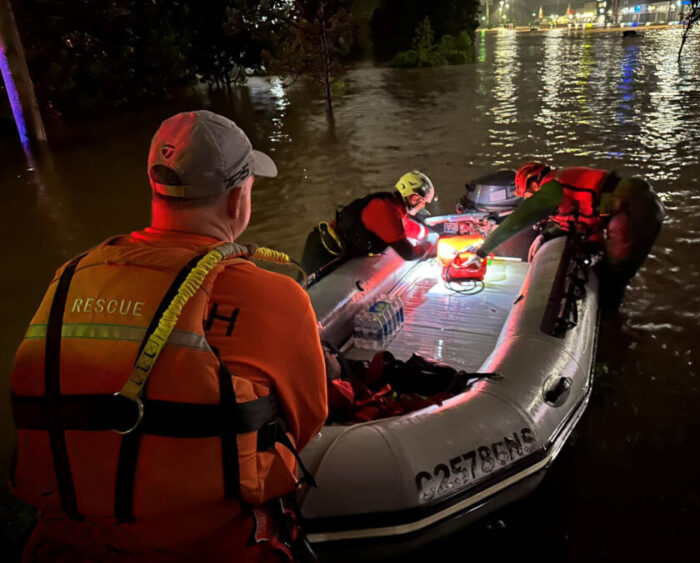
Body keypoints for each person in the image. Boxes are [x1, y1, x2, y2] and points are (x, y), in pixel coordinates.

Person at [10, 110, 328, 562]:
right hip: (209, 548)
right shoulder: (275, 296)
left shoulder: (67, 280)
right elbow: (307, 423)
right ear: (238, 200)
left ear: (155, 186)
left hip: (61, 549)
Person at [469, 161, 664, 311]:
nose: (528, 200)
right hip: (641, 201)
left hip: (632, 208)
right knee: (611, 270)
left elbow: (517, 221)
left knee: (615, 276)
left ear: (532, 186)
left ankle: (610, 326)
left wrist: (481, 253)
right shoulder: (563, 179)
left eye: (527, 195)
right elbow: (581, 219)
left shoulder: (551, 189)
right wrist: (546, 237)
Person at [300, 170, 439, 275]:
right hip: (323, 252)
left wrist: (430, 232)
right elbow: (409, 253)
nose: (424, 207)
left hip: (333, 247)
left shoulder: (390, 205)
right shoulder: (385, 211)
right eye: (424, 203)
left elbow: (406, 226)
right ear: (415, 198)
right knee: (305, 291)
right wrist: (431, 246)